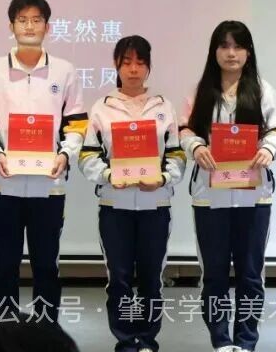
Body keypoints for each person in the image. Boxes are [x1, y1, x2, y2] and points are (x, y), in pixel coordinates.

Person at [0, 0, 86, 324]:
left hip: (49, 186)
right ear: (11, 26)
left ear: (47, 26)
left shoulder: (64, 71)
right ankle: (6, 331)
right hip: (3, 184)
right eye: (22, 20)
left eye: (36, 20)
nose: (29, 26)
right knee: (4, 265)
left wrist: (65, 154)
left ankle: (46, 333)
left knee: (46, 265)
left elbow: (76, 124)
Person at [178, 21, 276, 352]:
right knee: (214, 275)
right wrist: (196, 146)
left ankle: (246, 342)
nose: (231, 53)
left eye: (238, 46)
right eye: (224, 45)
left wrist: (269, 149)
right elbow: (184, 129)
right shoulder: (200, 91)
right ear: (214, 51)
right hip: (210, 198)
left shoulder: (263, 90)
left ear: (248, 52)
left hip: (254, 197)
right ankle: (222, 342)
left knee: (251, 275)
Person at [80, 35, 186, 352]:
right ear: (116, 65)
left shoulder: (164, 107)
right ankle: (127, 341)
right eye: (126, 62)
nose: (133, 69)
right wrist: (109, 175)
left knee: (152, 279)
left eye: (140, 62)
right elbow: (87, 156)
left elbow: (177, 155)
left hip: (156, 206)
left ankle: (147, 340)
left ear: (149, 66)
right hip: (115, 206)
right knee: (120, 279)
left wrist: (163, 179)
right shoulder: (102, 108)